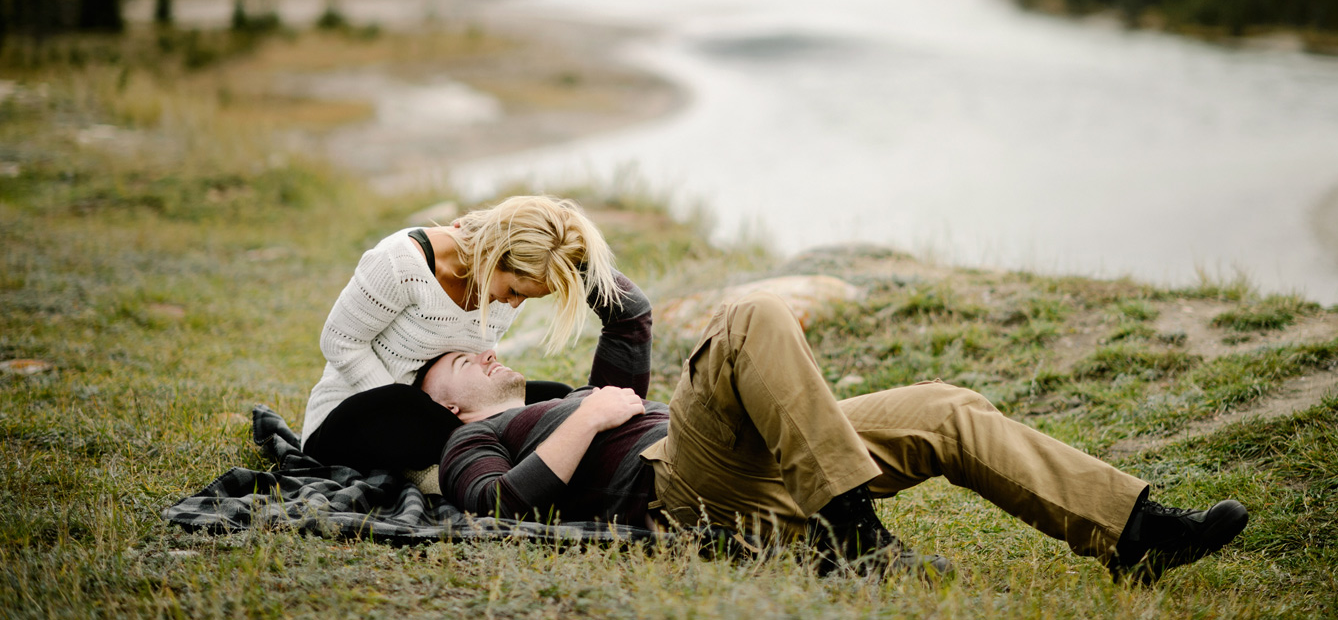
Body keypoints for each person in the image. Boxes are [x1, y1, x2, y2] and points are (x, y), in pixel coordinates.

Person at [425, 286, 1249, 583]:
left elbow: (630, 313)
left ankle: (1135, 535)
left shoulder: (561, 397)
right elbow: (496, 509)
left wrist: (569, 257)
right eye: (456, 362)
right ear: (451, 406)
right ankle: (852, 530)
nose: (479, 352)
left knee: (945, 406)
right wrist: (599, 417)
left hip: (759, 463)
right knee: (749, 317)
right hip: (682, 493)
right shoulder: (472, 442)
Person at [300, 194, 623, 474]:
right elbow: (341, 342)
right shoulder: (401, 263)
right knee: (405, 407)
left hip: (444, 411)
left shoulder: (509, 285)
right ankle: (480, 468)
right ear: (493, 254)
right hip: (360, 416)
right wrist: (422, 410)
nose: (514, 304)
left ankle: (481, 459)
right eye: (513, 290)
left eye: (527, 297)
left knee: (559, 397)